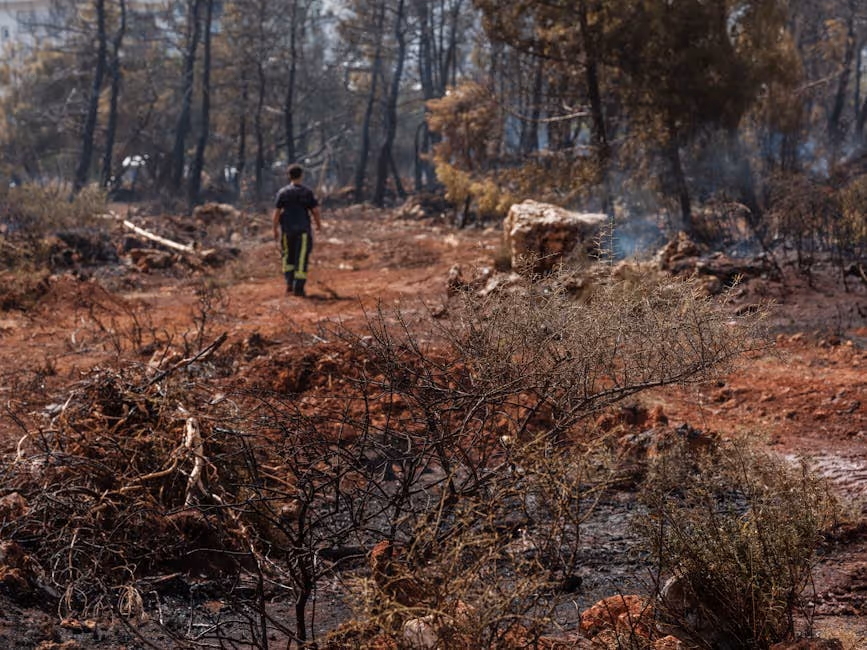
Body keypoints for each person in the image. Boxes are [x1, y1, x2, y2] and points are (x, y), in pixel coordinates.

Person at [272, 164, 322, 297]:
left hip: (287, 231)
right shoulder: (307, 192)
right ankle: (298, 288)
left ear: (289, 176)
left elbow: (276, 213)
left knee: (288, 256)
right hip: (303, 231)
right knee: (301, 258)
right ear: (301, 175)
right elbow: (315, 211)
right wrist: (318, 225)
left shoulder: (283, 193)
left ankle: (289, 284)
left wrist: (275, 229)